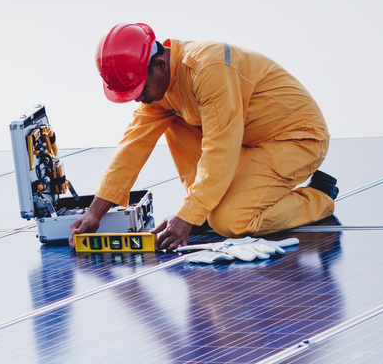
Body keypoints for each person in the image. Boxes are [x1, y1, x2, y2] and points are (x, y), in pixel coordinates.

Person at [69, 23, 338, 251]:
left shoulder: (209, 69)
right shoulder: (160, 89)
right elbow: (133, 145)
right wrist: (94, 213)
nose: (137, 98)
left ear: (160, 65)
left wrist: (189, 214)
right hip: (248, 141)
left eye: (139, 89)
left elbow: (220, 147)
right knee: (173, 120)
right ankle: (205, 207)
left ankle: (318, 197)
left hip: (296, 138)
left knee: (231, 221)